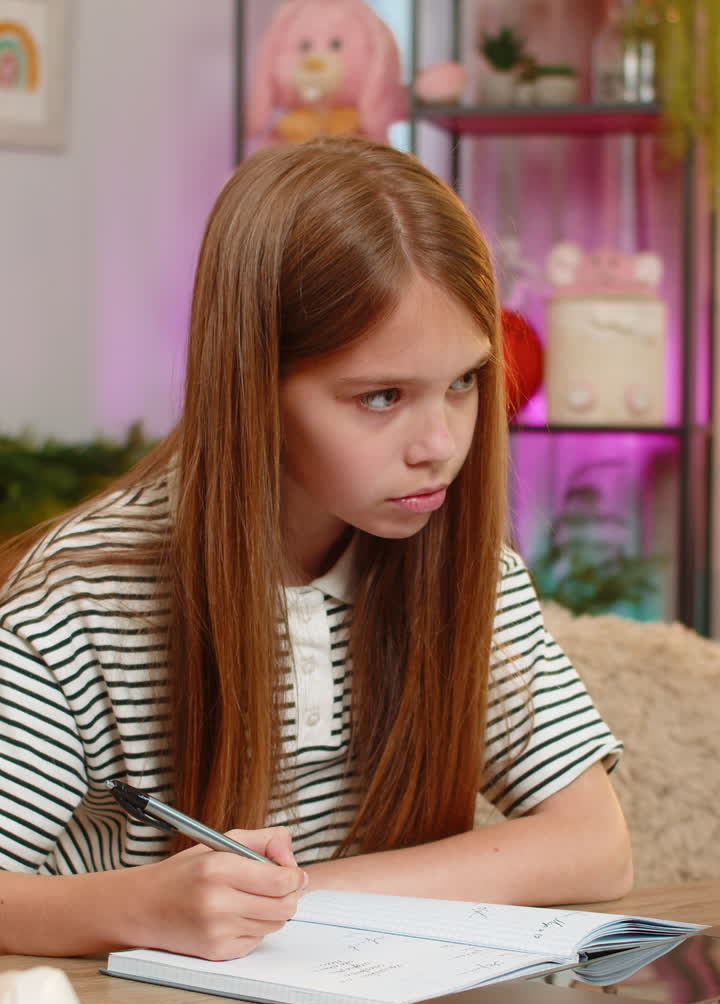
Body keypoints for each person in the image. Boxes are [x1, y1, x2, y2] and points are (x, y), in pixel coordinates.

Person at [0, 137, 632, 960]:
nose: (440, 444)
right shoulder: (84, 599)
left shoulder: (467, 570)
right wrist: (137, 907)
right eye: (381, 396)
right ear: (251, 385)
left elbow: (597, 845)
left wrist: (291, 899)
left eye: (465, 382)